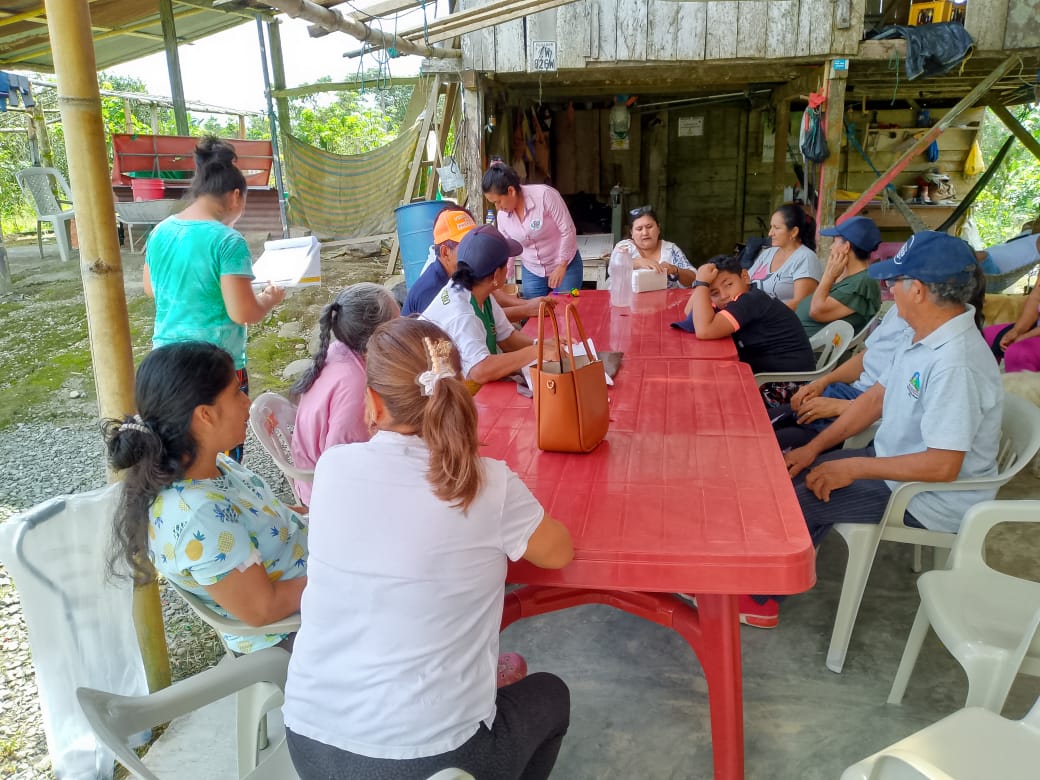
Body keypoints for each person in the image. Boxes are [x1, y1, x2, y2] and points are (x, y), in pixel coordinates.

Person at [283, 317, 573, 779]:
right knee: (551, 694)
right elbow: (559, 553)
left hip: (309, 742)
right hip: (434, 759)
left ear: (375, 402)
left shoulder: (333, 467)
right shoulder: (486, 482)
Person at [746, 232, 1003, 630]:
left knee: (796, 501)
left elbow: (943, 466)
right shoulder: (923, 337)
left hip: (928, 497)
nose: (890, 290)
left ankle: (758, 601)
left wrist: (852, 468)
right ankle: (771, 576)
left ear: (918, 290)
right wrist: (815, 449)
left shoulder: (956, 363)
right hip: (893, 464)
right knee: (795, 473)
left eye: (895, 282)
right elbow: (875, 399)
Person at [104, 342, 307, 653]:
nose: (247, 402)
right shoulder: (200, 517)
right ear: (205, 415)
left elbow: (259, 513)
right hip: (291, 633)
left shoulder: (211, 465)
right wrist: (343, 574)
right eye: (237, 393)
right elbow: (262, 609)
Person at [143, 135, 284, 462]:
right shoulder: (227, 241)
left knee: (179, 449)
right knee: (220, 453)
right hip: (216, 368)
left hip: (165, 364)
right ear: (235, 196)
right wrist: (269, 298)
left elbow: (152, 288)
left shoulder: (161, 231)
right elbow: (243, 312)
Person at [290, 283, 400, 505]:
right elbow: (345, 461)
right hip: (328, 492)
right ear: (377, 335)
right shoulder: (357, 386)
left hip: (320, 470)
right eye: (396, 324)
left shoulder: (339, 350)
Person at [421, 225, 547, 386]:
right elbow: (480, 370)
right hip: (433, 394)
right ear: (496, 275)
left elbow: (507, 339)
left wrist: (542, 346)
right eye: (505, 265)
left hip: (457, 386)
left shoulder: (477, 290)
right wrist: (536, 352)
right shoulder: (462, 313)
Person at [773, 306, 911, 450]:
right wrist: (821, 383)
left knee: (773, 444)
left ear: (918, 294)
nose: (892, 293)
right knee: (765, 425)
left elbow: (904, 408)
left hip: (866, 415)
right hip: (847, 394)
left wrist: (843, 406)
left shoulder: (924, 349)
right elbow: (865, 358)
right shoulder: (897, 310)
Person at [404, 206, 552, 322]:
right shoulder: (432, 290)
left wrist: (528, 304)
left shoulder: (461, 270)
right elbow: (474, 321)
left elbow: (489, 292)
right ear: (445, 252)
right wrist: (527, 309)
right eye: (465, 245)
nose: (473, 248)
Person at [677, 254, 815, 376]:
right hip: (769, 371)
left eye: (729, 284)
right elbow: (689, 312)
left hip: (787, 382)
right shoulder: (741, 297)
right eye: (715, 293)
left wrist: (702, 284)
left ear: (744, 277)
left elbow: (704, 331)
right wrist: (702, 285)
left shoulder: (750, 300)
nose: (724, 295)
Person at [482, 161, 583, 299]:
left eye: (497, 201)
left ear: (511, 191)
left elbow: (568, 230)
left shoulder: (545, 196)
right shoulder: (502, 216)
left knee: (565, 307)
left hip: (565, 266)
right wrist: (504, 275)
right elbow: (507, 247)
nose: (497, 207)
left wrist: (562, 265)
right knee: (533, 310)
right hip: (532, 270)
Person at [796, 216, 882, 337]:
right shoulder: (852, 277)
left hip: (808, 345)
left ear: (846, 247)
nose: (831, 247)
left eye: (834, 242)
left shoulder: (862, 282)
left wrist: (828, 276)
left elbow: (817, 311)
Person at [746, 203, 822, 309]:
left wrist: (761, 314)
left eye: (776, 228)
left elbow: (801, 303)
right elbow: (746, 281)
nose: (770, 233)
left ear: (794, 232)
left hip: (778, 318)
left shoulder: (806, 258)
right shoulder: (768, 253)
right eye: (771, 227)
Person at [611, 205, 695, 288]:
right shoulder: (625, 247)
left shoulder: (670, 249)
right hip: (631, 297)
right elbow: (613, 268)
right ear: (631, 233)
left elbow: (694, 279)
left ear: (658, 228)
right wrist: (638, 262)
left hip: (666, 297)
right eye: (639, 229)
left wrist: (675, 270)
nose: (645, 233)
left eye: (649, 227)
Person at [975, 216, 1040, 276]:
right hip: (983, 263)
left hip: (990, 273)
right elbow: (1028, 224)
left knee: (980, 255)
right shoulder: (1028, 232)